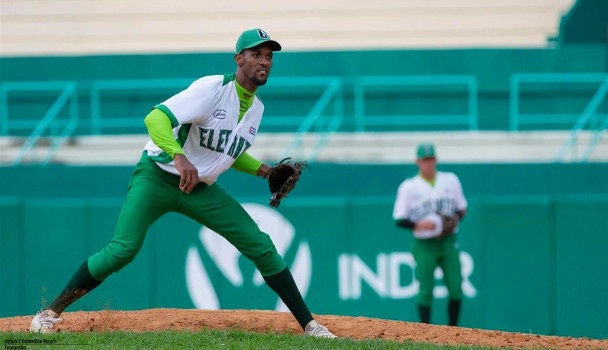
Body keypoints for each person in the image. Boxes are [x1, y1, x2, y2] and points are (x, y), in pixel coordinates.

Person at [29, 28, 336, 338]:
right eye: (256, 54)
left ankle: (311, 326)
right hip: (157, 177)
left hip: (200, 189)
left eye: (269, 56)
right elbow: (155, 118)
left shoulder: (257, 110)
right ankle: (49, 312)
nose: (264, 61)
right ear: (238, 58)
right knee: (123, 249)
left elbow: (228, 151)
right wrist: (178, 156)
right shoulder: (212, 88)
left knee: (261, 246)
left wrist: (265, 171)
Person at [392, 143, 467, 326]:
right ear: (417, 162)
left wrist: (455, 219)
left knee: (456, 286)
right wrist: (418, 224)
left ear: (436, 159)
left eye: (431, 159)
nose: (428, 163)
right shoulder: (409, 187)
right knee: (425, 289)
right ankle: (426, 332)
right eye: (424, 159)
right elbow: (399, 219)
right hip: (424, 244)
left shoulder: (450, 180)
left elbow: (462, 208)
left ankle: (453, 331)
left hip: (448, 241)